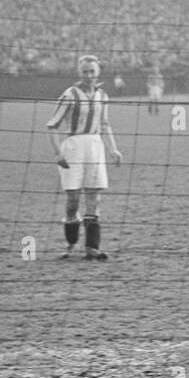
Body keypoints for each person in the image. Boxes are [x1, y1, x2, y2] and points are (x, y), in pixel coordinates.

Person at [45, 55, 123, 261]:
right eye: (85, 72)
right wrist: (57, 152)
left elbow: (105, 125)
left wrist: (113, 149)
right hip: (74, 147)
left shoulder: (102, 95)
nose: (89, 75)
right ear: (79, 73)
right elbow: (52, 125)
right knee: (73, 200)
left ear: (98, 72)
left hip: (95, 147)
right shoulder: (70, 94)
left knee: (94, 198)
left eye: (92, 71)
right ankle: (70, 243)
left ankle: (92, 247)